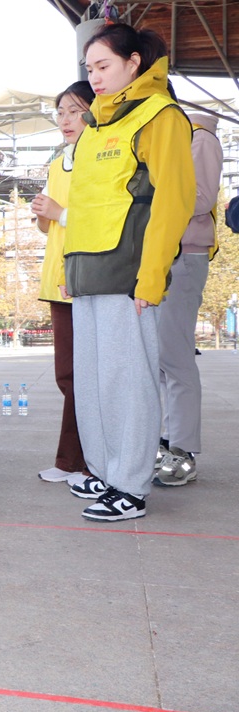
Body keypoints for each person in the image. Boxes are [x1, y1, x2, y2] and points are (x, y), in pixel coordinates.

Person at [62, 24, 195, 521]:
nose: (94, 77)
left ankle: (131, 485)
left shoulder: (160, 115)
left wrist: (152, 275)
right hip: (87, 272)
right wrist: (70, 267)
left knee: (128, 381)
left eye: (104, 66)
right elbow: (87, 205)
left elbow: (173, 202)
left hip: (128, 272)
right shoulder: (96, 124)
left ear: (134, 62)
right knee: (94, 382)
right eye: (90, 68)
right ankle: (106, 471)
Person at [30, 80, 96, 486]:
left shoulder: (101, 157)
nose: (66, 120)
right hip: (59, 280)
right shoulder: (59, 163)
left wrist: (60, 212)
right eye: (61, 112)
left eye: (75, 110)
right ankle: (74, 460)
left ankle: (85, 463)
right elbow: (48, 225)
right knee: (68, 376)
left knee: (85, 377)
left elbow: (108, 217)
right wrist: (45, 214)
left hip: (89, 278)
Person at [155, 111, 222, 487]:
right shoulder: (177, 136)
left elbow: (200, 198)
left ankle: (182, 450)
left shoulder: (199, 137)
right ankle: (169, 441)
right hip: (163, 253)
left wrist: (151, 196)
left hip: (184, 254)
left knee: (175, 357)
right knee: (162, 359)